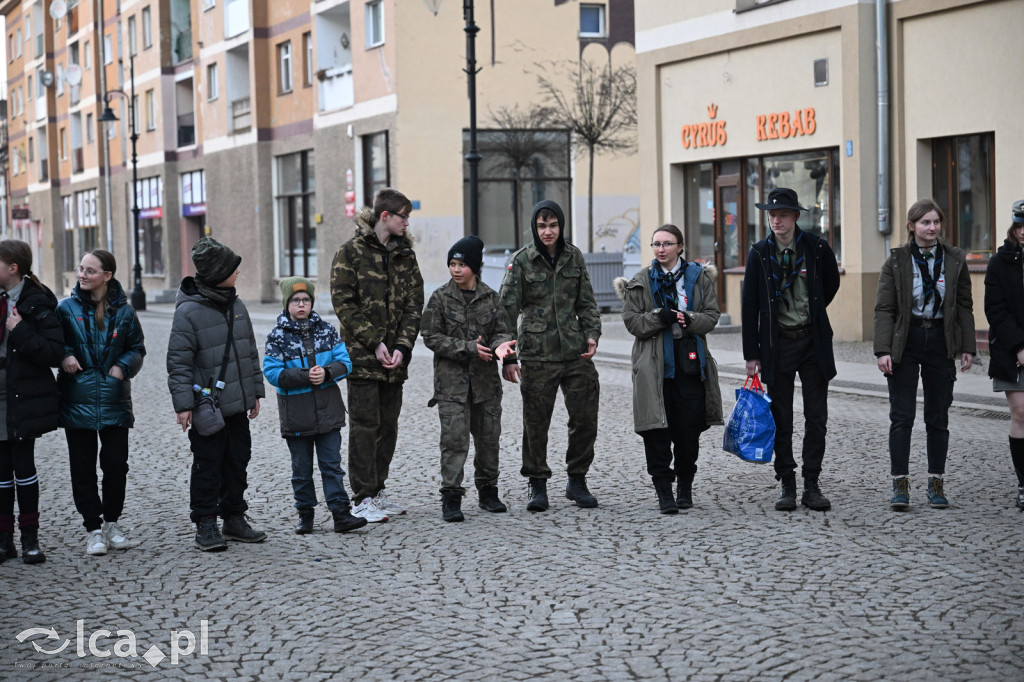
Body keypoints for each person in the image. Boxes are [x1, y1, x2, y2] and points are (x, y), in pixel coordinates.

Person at [742, 187, 840, 512]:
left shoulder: (816, 248)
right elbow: (749, 306)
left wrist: (812, 308)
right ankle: (787, 481)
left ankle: (812, 482)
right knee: (781, 416)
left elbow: (830, 284)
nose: (776, 220)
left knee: (816, 416)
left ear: (796, 216)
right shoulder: (758, 253)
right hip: (777, 344)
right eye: (771, 215)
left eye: (782, 214)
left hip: (812, 342)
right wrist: (751, 353)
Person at [499, 199, 602, 511]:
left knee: (585, 418)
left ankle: (577, 479)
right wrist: (508, 353)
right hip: (537, 354)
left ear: (561, 226)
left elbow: (587, 302)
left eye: (553, 225)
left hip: (575, 352)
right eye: (542, 226)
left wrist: (592, 334)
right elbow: (505, 310)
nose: (548, 231)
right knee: (536, 423)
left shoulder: (574, 258)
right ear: (535, 227)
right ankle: (537, 483)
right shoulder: (522, 261)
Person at [874, 199, 975, 510]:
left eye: (936, 222)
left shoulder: (955, 259)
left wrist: (968, 347)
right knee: (901, 416)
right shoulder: (897, 261)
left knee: (938, 416)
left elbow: (964, 306)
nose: (932, 228)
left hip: (941, 339)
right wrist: (882, 349)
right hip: (907, 338)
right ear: (912, 226)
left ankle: (936, 483)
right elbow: (885, 308)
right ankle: (900, 486)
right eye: (925, 223)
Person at [167, 237, 266, 551]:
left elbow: (249, 353)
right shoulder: (188, 313)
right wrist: (184, 405)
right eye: (233, 268)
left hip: (237, 405)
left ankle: (234, 518)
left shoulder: (237, 305)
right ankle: (206, 523)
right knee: (208, 464)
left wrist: (255, 393)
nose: (238, 272)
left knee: (238, 460)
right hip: (207, 405)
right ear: (218, 273)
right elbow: (179, 362)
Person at [330, 188, 424, 521]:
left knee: (389, 427)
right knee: (365, 427)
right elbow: (344, 304)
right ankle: (362, 498)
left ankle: (378, 490)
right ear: (386, 216)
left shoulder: (405, 256)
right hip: (363, 358)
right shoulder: (350, 253)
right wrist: (374, 342)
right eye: (403, 216)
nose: (407, 222)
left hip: (394, 361)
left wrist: (402, 346)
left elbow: (415, 305)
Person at [616, 225, 724, 514]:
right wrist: (658, 317)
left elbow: (712, 316)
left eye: (667, 244)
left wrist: (688, 319)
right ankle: (664, 491)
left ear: (680, 247)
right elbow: (632, 322)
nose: (660, 249)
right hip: (653, 365)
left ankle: (685, 486)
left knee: (688, 431)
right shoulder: (640, 281)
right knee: (656, 430)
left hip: (689, 363)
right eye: (656, 244)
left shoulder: (698, 277)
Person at [263, 276, 369, 534]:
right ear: (287, 303)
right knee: (301, 470)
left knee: (332, 465)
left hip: (328, 412)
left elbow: (346, 362)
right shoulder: (278, 336)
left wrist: (328, 373)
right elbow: (271, 372)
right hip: (296, 415)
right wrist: (305, 375)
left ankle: (341, 513)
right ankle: (305, 514)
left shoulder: (327, 330)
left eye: (306, 300)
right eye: (296, 300)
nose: (301, 305)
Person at [57, 250, 146, 556]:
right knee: (82, 468)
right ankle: (93, 528)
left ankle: (112, 523)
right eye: (80, 268)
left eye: (90, 270)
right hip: (76, 399)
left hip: (113, 399)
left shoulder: (124, 311)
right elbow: (55, 343)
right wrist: (64, 355)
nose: (82, 274)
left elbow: (137, 348)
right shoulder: (65, 308)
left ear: (107, 275)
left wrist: (123, 367)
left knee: (116, 466)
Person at [421, 236, 516, 522]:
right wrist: (468, 348)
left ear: (474, 267)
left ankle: (488, 491)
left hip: (485, 385)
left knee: (488, 440)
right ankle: (451, 497)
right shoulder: (439, 298)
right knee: (454, 442)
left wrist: (504, 350)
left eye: (461, 264)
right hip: (451, 386)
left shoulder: (491, 297)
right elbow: (430, 337)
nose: (456, 269)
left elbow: (503, 330)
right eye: (452, 264)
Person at [0, 240, 63, 565]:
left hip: (22, 395)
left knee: (23, 469)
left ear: (12, 268)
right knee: (0, 472)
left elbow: (53, 352)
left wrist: (21, 330)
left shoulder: (37, 301)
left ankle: (30, 540)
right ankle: (4, 541)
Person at [983, 198, 1024, 511]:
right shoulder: (1000, 262)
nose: (1023, 232)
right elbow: (995, 309)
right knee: (1021, 413)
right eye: (1019, 225)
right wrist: (1019, 346)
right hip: (1013, 351)